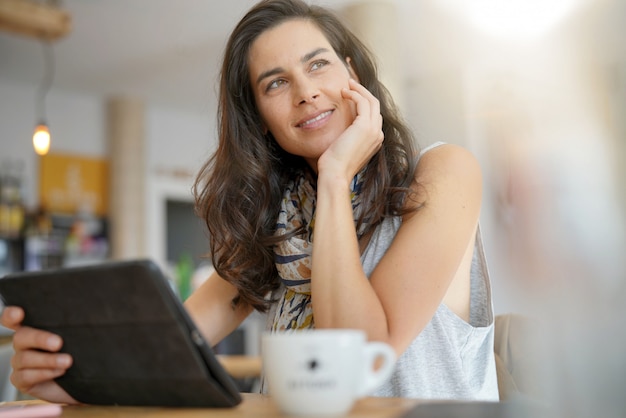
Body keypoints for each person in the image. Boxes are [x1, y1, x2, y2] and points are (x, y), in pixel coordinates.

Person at [0, 0, 498, 403]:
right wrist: (72, 374)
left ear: (353, 75)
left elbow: (363, 354)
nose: (306, 92)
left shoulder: (444, 171)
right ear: (260, 117)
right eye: (276, 82)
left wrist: (335, 174)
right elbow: (166, 348)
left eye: (318, 64)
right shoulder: (281, 221)